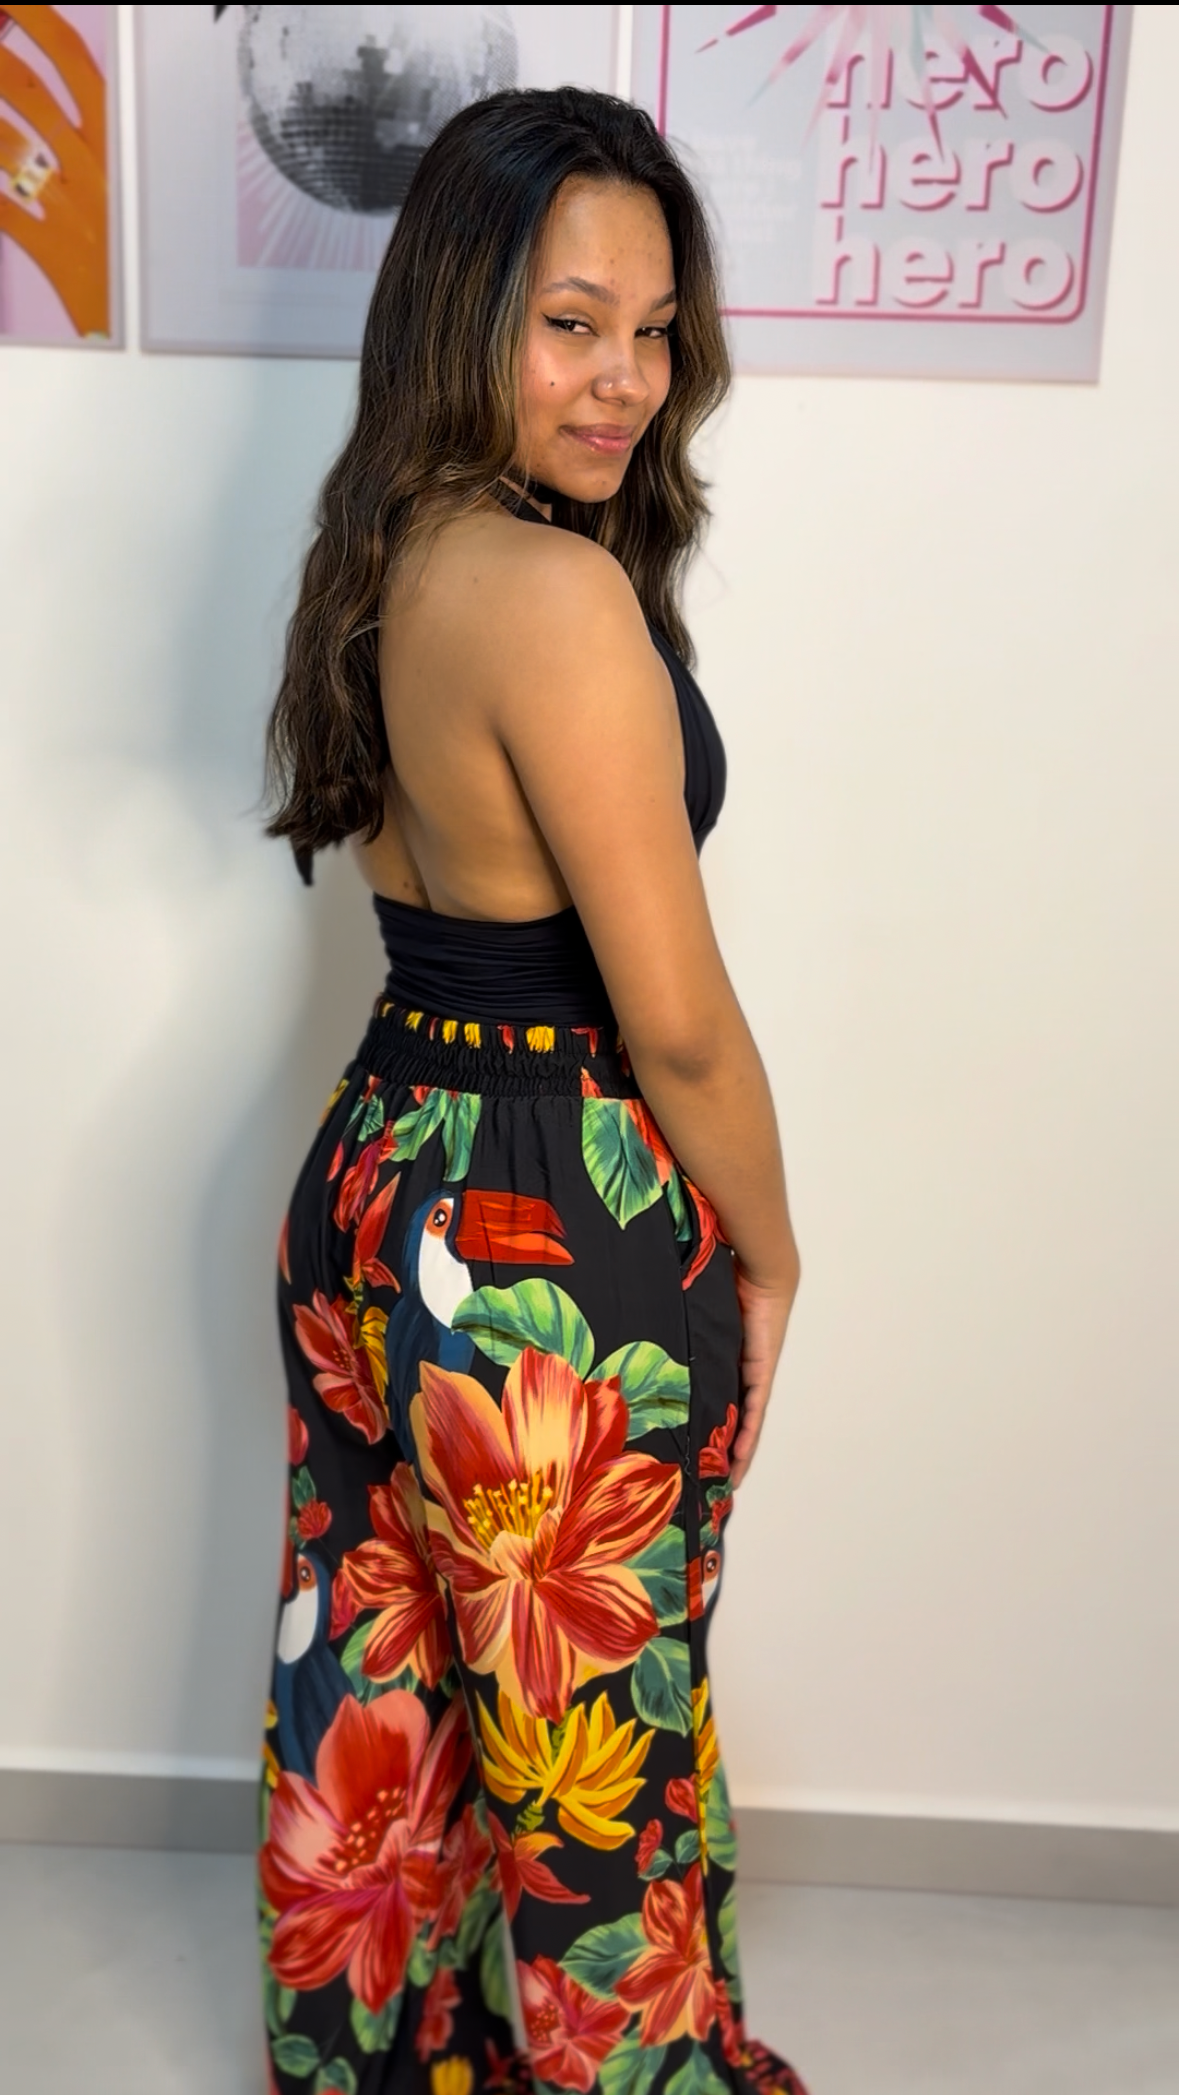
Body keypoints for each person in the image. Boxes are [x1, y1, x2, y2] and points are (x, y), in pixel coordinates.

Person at [259, 85, 805, 2095]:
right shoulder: (557, 595)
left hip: (378, 1171)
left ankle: (386, 2060)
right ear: (463, 315)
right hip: (543, 1219)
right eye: (572, 323)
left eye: (653, 331)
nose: (625, 380)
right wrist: (771, 1250)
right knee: (589, 1728)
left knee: (382, 1677)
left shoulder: (391, 546)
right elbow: (675, 1025)